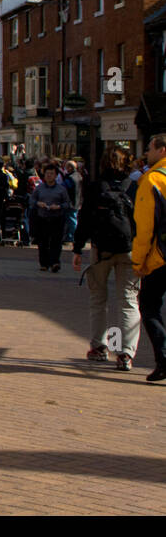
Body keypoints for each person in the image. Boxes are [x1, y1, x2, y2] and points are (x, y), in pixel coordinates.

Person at [73, 144, 139, 371]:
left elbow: (84, 219)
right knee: (127, 301)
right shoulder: (134, 186)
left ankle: (100, 347)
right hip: (130, 249)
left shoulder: (95, 187)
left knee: (99, 300)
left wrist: (77, 248)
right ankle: (124, 353)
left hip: (101, 250)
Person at [131, 133, 166, 383]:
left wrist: (138, 261)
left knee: (149, 305)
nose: (146, 154)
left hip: (161, 256)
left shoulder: (152, 179)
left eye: (150, 148)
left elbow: (144, 228)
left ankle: (163, 359)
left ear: (161, 150)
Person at [30, 162, 71, 273]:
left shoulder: (61, 189)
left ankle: (55, 262)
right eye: (47, 173)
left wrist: (59, 206)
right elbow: (32, 200)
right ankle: (44, 263)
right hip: (42, 218)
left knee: (56, 242)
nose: (49, 176)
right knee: (42, 242)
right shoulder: (39, 188)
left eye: (52, 174)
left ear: (56, 175)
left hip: (56, 218)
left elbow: (67, 203)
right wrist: (38, 203)